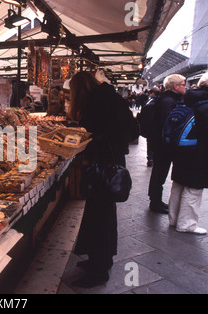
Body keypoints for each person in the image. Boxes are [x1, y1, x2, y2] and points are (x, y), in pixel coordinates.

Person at [68, 72, 139, 288]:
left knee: (100, 216)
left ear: (79, 89)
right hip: (111, 161)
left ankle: (99, 272)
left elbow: (97, 132)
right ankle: (100, 259)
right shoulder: (109, 97)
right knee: (102, 213)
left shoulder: (97, 102)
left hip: (103, 166)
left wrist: (88, 145)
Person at [168, 72, 208, 234]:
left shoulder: (189, 99)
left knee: (178, 184)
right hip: (198, 153)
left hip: (182, 151)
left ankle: (173, 219)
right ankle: (187, 224)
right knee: (194, 188)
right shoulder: (206, 105)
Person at [148, 74, 187, 214]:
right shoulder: (168, 101)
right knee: (160, 172)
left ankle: (156, 200)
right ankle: (155, 202)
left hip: (161, 143)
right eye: (183, 84)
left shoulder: (167, 99)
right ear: (176, 86)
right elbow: (169, 124)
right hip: (164, 144)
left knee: (160, 172)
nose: (185, 87)